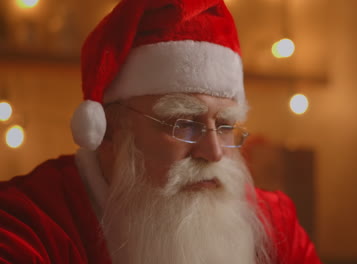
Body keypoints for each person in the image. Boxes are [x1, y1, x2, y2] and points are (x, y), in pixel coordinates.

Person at [0, 0, 322, 263]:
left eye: (225, 125)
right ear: (111, 131)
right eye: (184, 123)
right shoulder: (26, 223)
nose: (213, 151)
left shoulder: (275, 223)